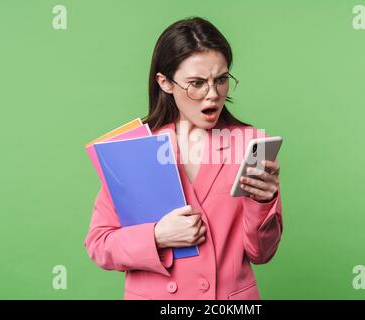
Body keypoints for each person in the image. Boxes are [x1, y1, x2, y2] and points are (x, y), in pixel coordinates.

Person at [84, 16, 283, 300]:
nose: (212, 95)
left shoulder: (249, 144)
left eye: (221, 80)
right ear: (165, 82)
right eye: (196, 83)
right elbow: (99, 244)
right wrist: (156, 237)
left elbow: (262, 254)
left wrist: (264, 202)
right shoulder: (135, 149)